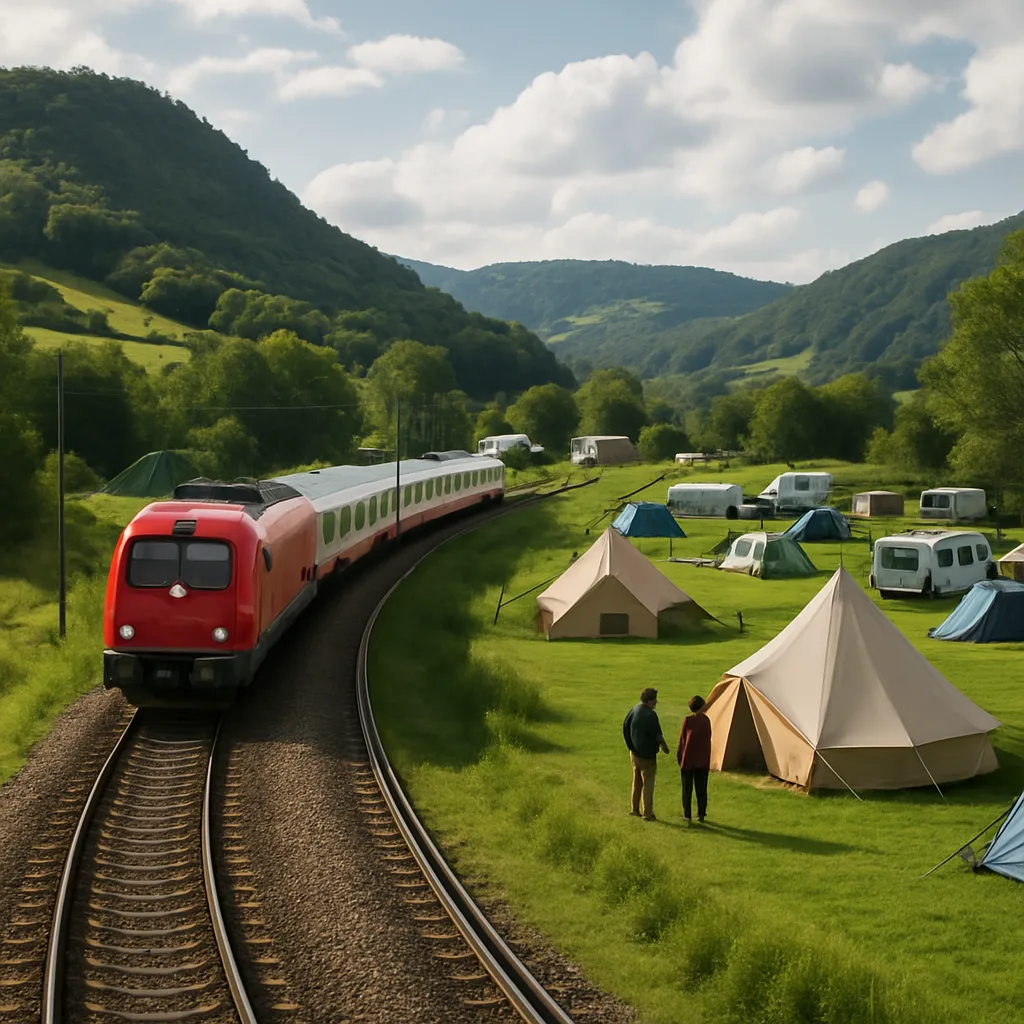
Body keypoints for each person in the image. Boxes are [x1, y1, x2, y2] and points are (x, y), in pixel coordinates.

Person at [622, 687, 670, 821]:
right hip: (648, 756)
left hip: (634, 753)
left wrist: (631, 746)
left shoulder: (634, 710)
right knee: (648, 784)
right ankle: (647, 813)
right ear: (649, 701)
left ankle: (634, 809)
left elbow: (625, 728)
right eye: (655, 700)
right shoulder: (650, 715)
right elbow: (657, 735)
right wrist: (664, 747)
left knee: (636, 782)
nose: (656, 702)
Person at [677, 695, 712, 823]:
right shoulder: (706, 721)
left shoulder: (688, 721)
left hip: (688, 760)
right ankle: (701, 813)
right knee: (701, 789)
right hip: (702, 761)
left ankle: (687, 814)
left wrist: (680, 757)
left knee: (687, 789)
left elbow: (682, 740)